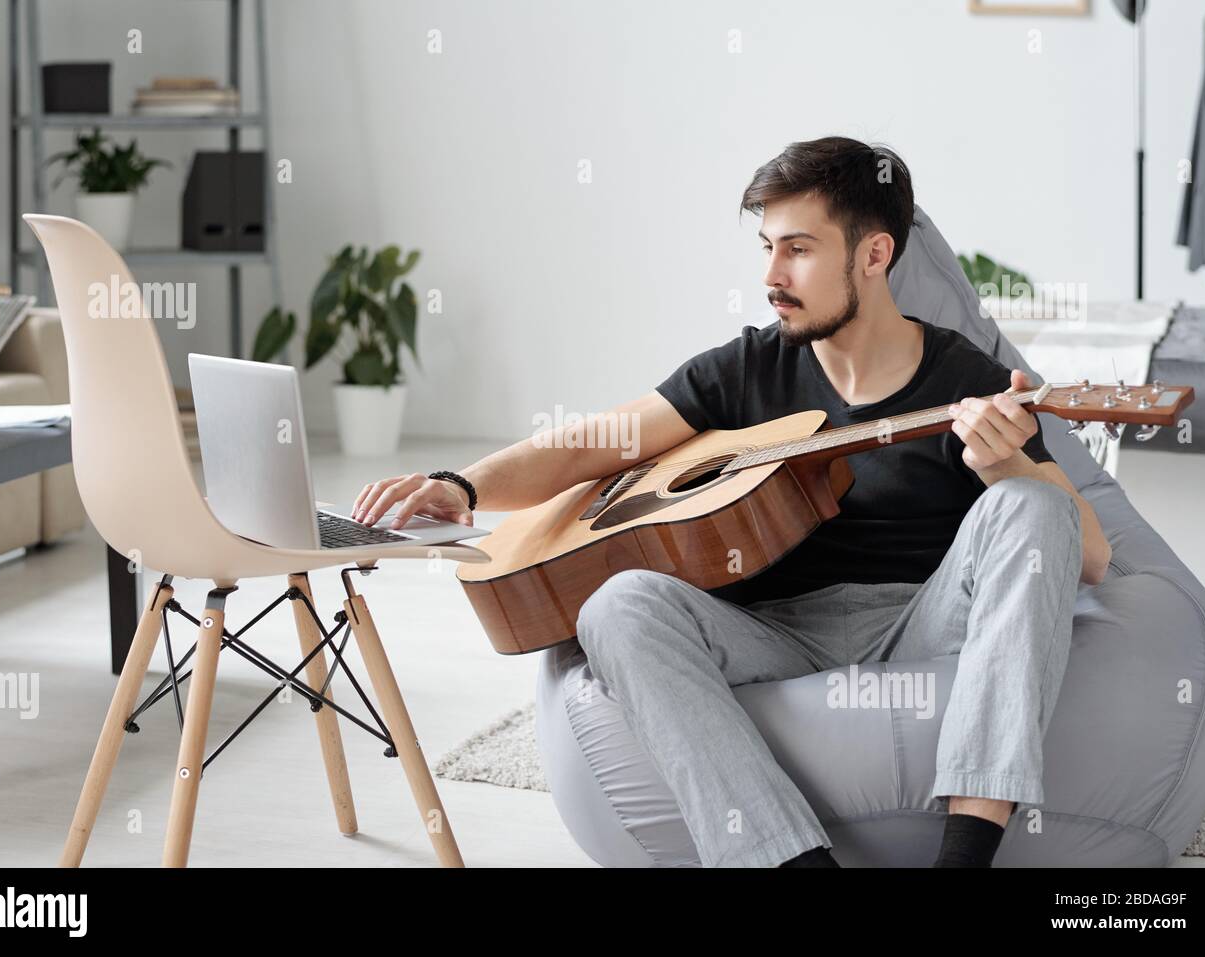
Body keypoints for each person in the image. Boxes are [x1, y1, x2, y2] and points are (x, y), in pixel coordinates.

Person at [349, 135, 1112, 868]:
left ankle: (966, 854)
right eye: (767, 247)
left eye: (799, 249)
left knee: (1033, 504)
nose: (773, 274)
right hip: (771, 630)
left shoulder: (962, 375)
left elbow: (1091, 554)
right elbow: (592, 444)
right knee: (614, 606)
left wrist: (1006, 463)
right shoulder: (749, 367)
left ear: (874, 254)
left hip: (919, 620)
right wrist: (462, 485)